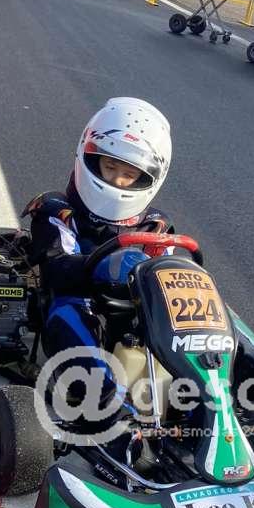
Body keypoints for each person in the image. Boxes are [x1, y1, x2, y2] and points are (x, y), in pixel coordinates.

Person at [24, 98, 172, 367]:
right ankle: (103, 390)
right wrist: (109, 267)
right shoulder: (57, 210)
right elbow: (57, 270)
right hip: (77, 302)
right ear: (91, 157)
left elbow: (171, 278)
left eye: (129, 174)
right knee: (69, 314)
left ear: (147, 177)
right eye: (110, 167)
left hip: (138, 316)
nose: (117, 180)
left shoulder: (155, 225)